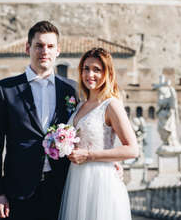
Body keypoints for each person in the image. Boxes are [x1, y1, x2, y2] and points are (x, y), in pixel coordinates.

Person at [0, 21, 78, 220]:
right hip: (17, 190)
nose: (45, 51)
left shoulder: (71, 89)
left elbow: (86, 130)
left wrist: (110, 163)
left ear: (58, 50)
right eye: (39, 45)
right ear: (28, 48)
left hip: (63, 188)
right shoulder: (5, 89)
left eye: (50, 46)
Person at [59, 47, 139, 220]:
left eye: (97, 70)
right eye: (86, 69)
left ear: (107, 73)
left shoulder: (111, 105)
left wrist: (89, 155)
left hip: (100, 181)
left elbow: (132, 149)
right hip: (77, 180)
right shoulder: (80, 106)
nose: (90, 75)